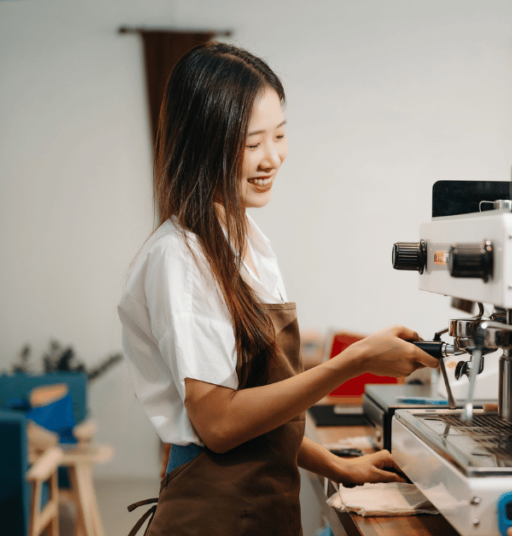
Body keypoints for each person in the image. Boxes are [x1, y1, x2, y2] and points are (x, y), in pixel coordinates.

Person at [117, 42, 438, 535]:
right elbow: (220, 425)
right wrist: (353, 361)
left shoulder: (246, 241)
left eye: (280, 135)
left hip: (256, 508)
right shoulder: (181, 258)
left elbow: (258, 408)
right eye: (251, 144)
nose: (273, 158)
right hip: (214, 515)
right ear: (203, 146)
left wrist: (336, 463)